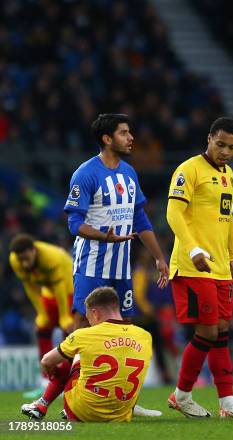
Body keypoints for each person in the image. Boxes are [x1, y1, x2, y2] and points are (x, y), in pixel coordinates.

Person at [22, 113, 168, 419]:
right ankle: (47, 403)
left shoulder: (129, 173)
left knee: (125, 334)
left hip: (121, 270)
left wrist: (158, 256)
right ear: (107, 138)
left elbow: (140, 218)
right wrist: (106, 237)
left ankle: (127, 401)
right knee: (81, 334)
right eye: (125, 133)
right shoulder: (85, 174)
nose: (131, 138)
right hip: (91, 266)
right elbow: (75, 223)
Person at [166, 117, 233, 418]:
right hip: (193, 265)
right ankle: (181, 395)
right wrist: (193, 248)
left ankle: (228, 404)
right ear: (209, 138)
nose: (225, 151)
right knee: (206, 331)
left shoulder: (229, 175)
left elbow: (225, 218)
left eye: (232, 147)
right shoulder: (189, 169)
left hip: (219, 266)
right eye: (220, 144)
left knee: (221, 333)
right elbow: (173, 212)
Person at [40, 287, 152, 422]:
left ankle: (41, 404)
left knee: (73, 356)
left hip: (81, 412)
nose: (90, 323)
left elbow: (46, 361)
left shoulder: (84, 334)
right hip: (121, 415)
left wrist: (53, 374)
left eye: (89, 318)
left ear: (95, 313)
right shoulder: (145, 336)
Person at [9, 234, 74, 398]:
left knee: (71, 333)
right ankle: (47, 381)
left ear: (33, 250)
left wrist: (65, 315)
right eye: (21, 259)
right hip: (49, 292)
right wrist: (42, 313)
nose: (24, 263)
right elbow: (29, 286)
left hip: (68, 289)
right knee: (42, 330)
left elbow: (59, 287)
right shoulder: (15, 259)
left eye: (26, 258)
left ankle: (70, 381)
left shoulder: (51, 257)